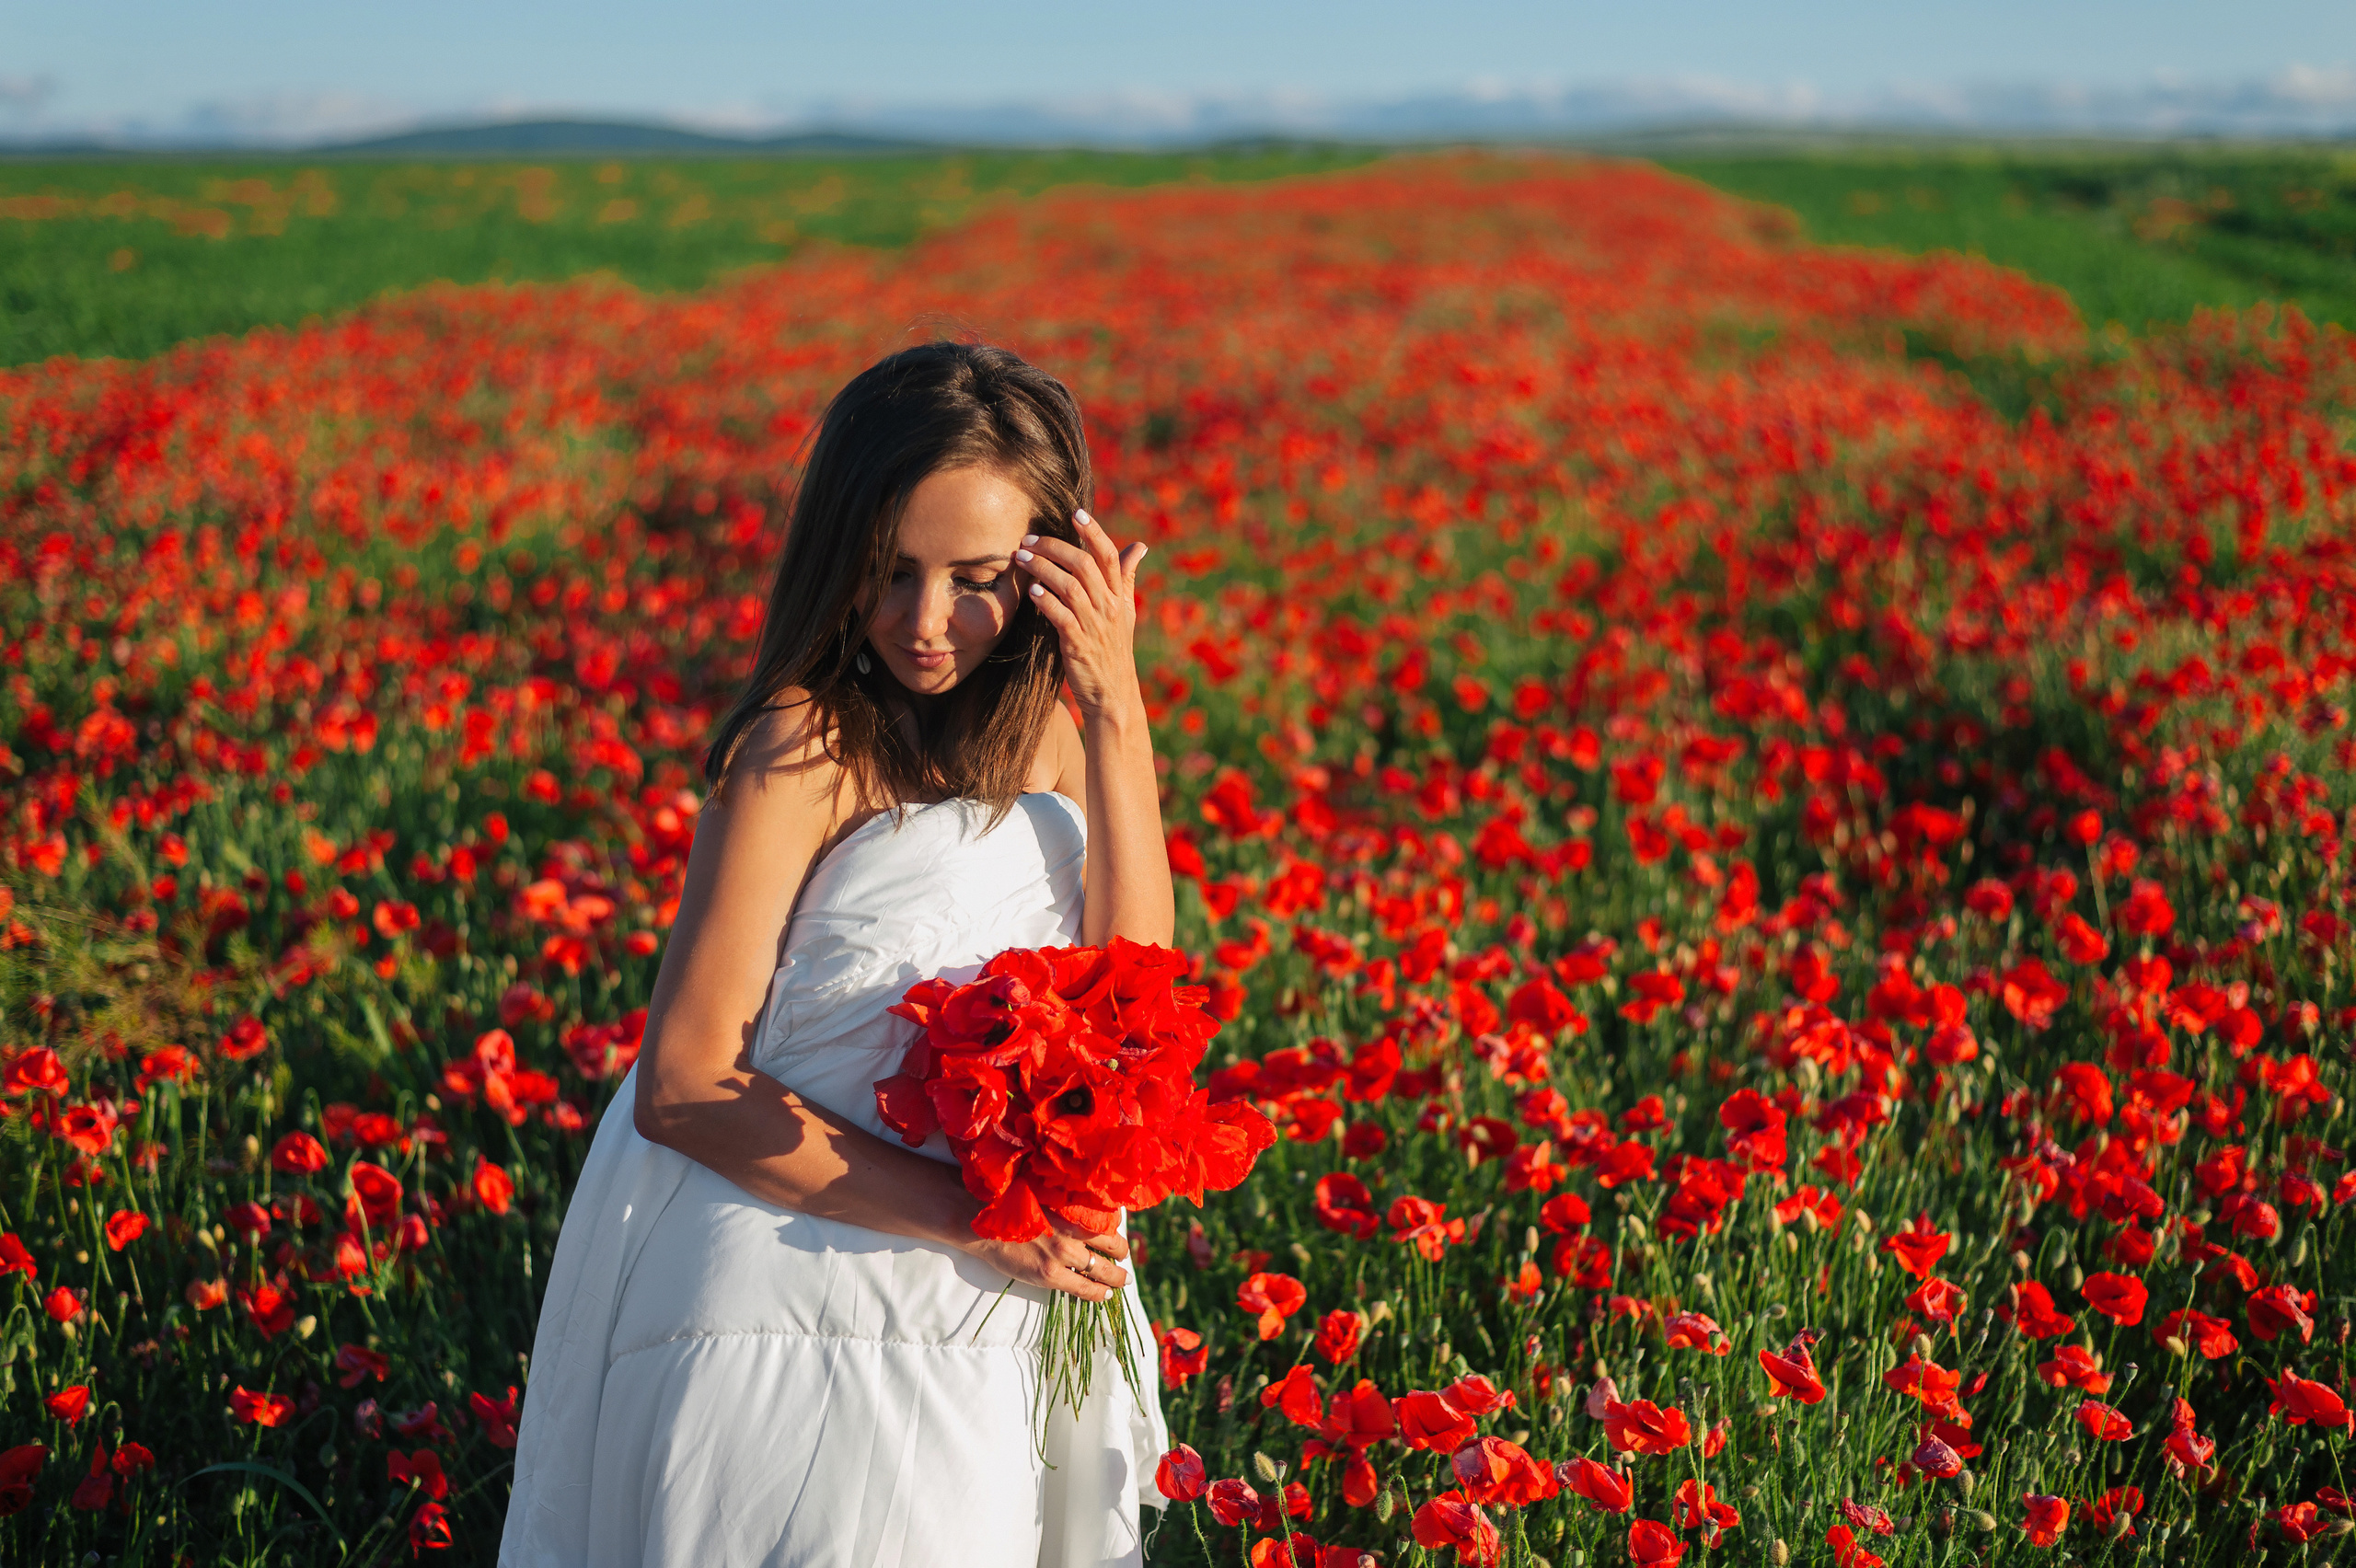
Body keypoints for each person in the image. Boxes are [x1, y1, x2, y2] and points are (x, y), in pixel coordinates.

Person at [499, 340, 1174, 1566]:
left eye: (977, 578)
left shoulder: (1067, 743)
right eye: (889, 571)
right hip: (791, 1272)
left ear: (1051, 570)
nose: (925, 623)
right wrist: (973, 1219)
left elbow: (1131, 992)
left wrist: (1116, 701)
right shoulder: (800, 746)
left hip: (999, 1299)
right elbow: (686, 1082)